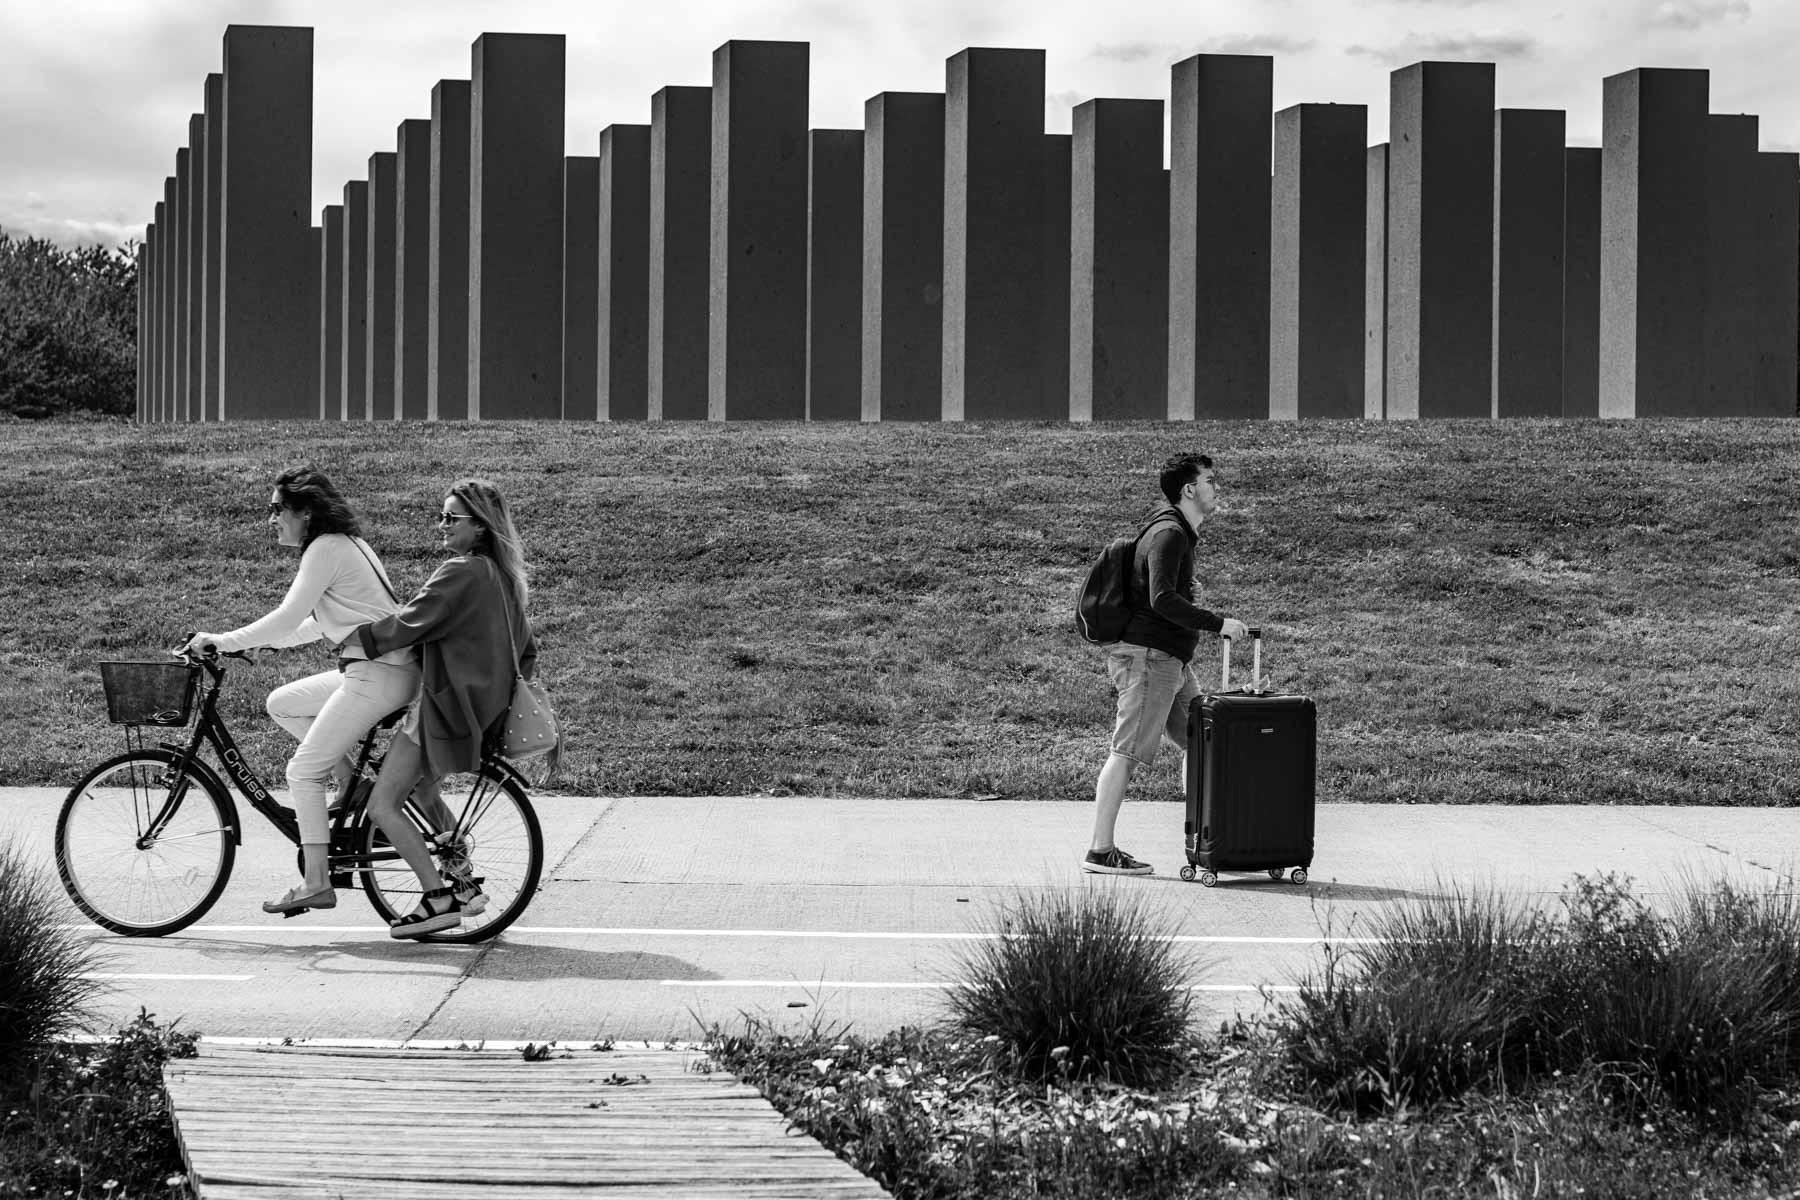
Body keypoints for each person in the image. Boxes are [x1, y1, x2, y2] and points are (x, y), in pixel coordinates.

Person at [182, 467, 420, 914]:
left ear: (306, 511)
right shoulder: (344, 543)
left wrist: (224, 640)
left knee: (303, 773)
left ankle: (316, 882)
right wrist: (261, 642)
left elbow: (289, 616)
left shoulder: (325, 548)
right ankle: (353, 784)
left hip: (377, 674)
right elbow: (315, 622)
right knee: (283, 703)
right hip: (384, 670)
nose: (270, 518)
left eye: (277, 509)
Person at [349, 478, 537, 939]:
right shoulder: (505, 579)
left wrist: (354, 642)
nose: (442, 525)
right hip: (480, 713)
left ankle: (437, 898)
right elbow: (528, 652)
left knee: (382, 805)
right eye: (442, 516)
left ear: (480, 526)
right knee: (423, 793)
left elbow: (411, 620)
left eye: (452, 518)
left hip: (441, 709)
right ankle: (465, 885)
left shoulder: (461, 571)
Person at [1085, 453, 1248, 876]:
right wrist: (1218, 623)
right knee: (1127, 752)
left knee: (1201, 742)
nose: (1216, 487)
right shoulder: (1170, 533)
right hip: (1150, 659)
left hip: (1170, 660)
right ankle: (1100, 851)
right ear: (1189, 489)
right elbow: (1161, 600)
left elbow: (1164, 594)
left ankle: (1205, 842)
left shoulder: (1176, 532)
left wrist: (1188, 598)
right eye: (1209, 480)